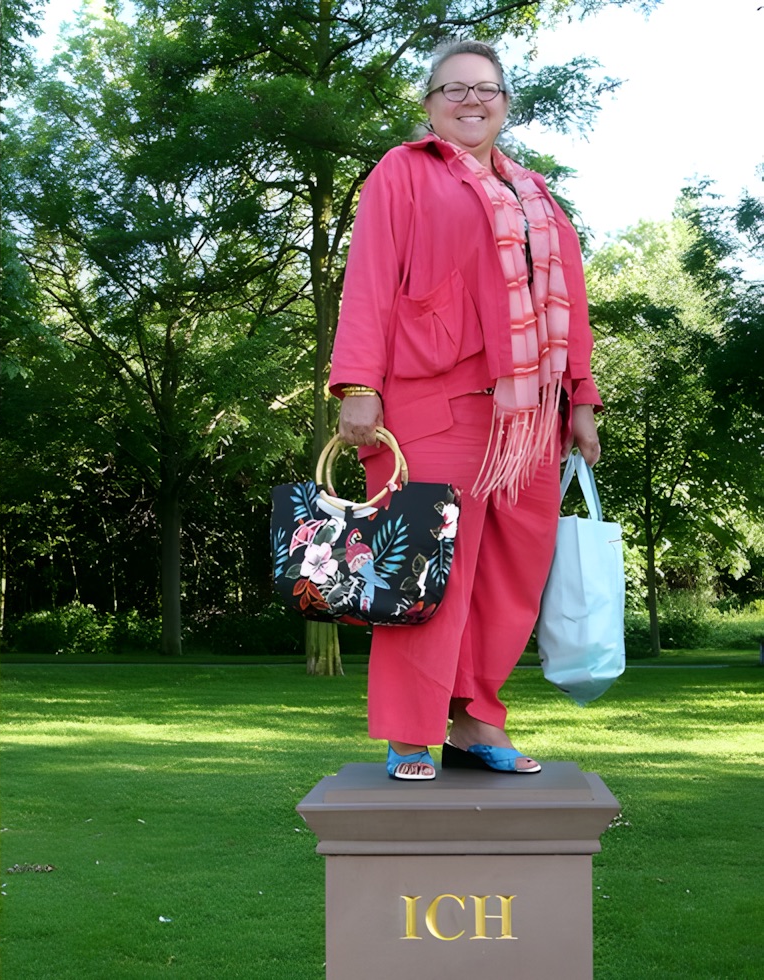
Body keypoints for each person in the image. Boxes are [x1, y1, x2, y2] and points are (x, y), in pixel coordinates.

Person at [328, 39, 602, 780]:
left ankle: (478, 721)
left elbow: (570, 304)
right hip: (431, 407)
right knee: (425, 574)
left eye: (486, 88)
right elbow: (372, 276)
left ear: (507, 103)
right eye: (453, 88)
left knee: (508, 582)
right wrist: (358, 383)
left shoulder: (539, 195)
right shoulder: (404, 171)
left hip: (529, 421)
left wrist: (583, 398)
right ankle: (411, 734)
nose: (470, 100)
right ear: (429, 105)